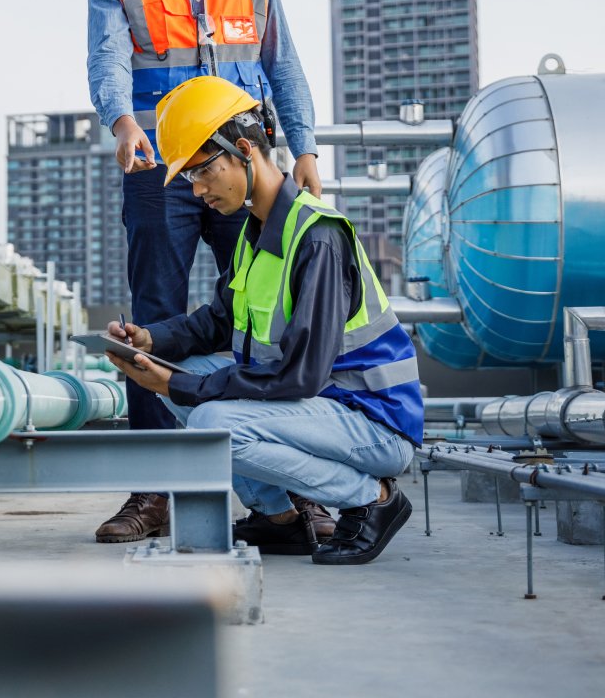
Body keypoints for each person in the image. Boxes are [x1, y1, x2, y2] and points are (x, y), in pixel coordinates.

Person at [87, 0, 322, 543]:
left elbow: (282, 62)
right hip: (159, 170)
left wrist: (306, 147)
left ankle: (284, 488)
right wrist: (122, 122)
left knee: (259, 312)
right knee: (152, 318)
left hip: (248, 167)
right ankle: (154, 490)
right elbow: (108, 62)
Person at [101, 76, 423, 564]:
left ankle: (372, 500)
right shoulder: (256, 234)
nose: (198, 190)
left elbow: (301, 374)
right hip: (323, 409)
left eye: (202, 172)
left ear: (245, 150)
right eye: (188, 177)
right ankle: (280, 520)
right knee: (192, 387)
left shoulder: (316, 238)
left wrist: (180, 387)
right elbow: (216, 321)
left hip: (373, 423)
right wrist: (150, 339)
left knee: (207, 415)